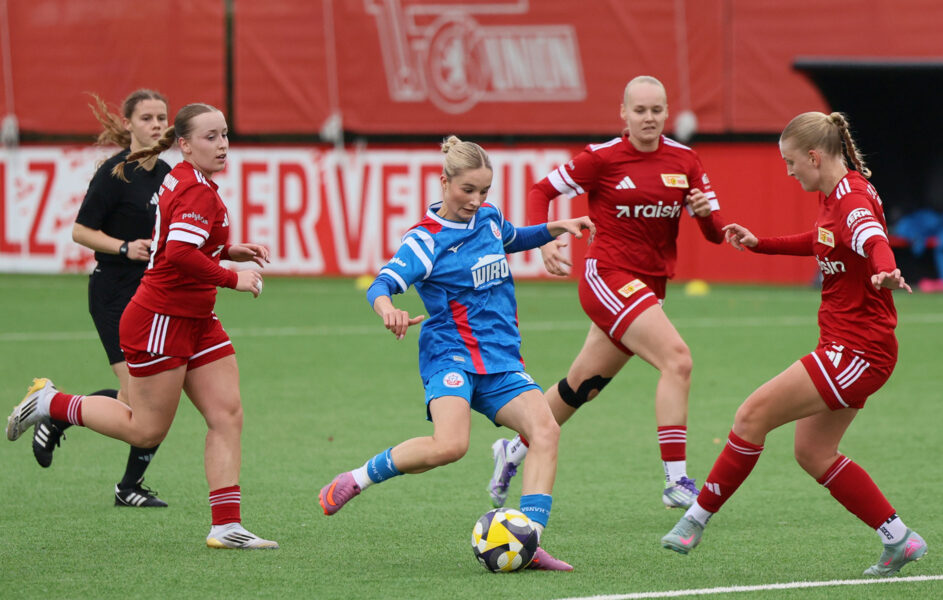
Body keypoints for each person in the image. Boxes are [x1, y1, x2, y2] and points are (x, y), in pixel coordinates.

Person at [661, 111, 927, 578]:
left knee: (750, 415)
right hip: (856, 349)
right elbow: (825, 240)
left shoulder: (852, 196)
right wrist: (761, 244)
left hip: (857, 352)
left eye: (790, 162)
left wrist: (886, 267)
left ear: (813, 155)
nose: (787, 172)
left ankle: (695, 518)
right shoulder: (837, 193)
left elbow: (869, 235)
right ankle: (899, 539)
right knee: (813, 453)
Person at [6, 103, 278, 549]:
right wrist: (233, 277)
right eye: (211, 137)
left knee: (227, 415)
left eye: (225, 134)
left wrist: (227, 250)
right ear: (185, 145)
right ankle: (52, 403)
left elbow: (181, 241)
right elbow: (177, 255)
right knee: (145, 430)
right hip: (160, 320)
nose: (223, 144)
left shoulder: (190, 179)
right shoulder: (195, 189)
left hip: (195, 319)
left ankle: (226, 526)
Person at [318, 136, 594, 571]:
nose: (476, 200)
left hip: (501, 360)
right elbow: (381, 284)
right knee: (450, 446)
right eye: (468, 190)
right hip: (451, 357)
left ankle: (529, 539)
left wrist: (557, 227)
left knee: (546, 430)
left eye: (484, 191)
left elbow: (512, 237)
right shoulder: (424, 241)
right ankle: (355, 479)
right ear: (443, 182)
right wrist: (388, 308)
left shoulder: (489, 218)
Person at [486, 75, 726, 511]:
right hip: (608, 277)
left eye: (656, 110)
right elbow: (542, 191)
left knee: (582, 386)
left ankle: (514, 450)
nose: (648, 118)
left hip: (650, 286)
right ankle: (676, 481)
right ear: (624, 113)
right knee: (678, 359)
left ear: (666, 112)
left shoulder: (686, 160)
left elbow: (714, 235)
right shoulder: (602, 158)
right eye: (640, 110)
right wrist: (545, 240)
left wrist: (707, 217)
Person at [31, 90, 173, 509]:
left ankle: (128, 485)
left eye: (161, 117)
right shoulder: (116, 175)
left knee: (149, 400)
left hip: (152, 295)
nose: (156, 125)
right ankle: (60, 411)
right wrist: (125, 246)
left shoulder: (166, 173)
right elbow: (80, 231)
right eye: (146, 118)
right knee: (143, 402)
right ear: (128, 124)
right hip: (114, 293)